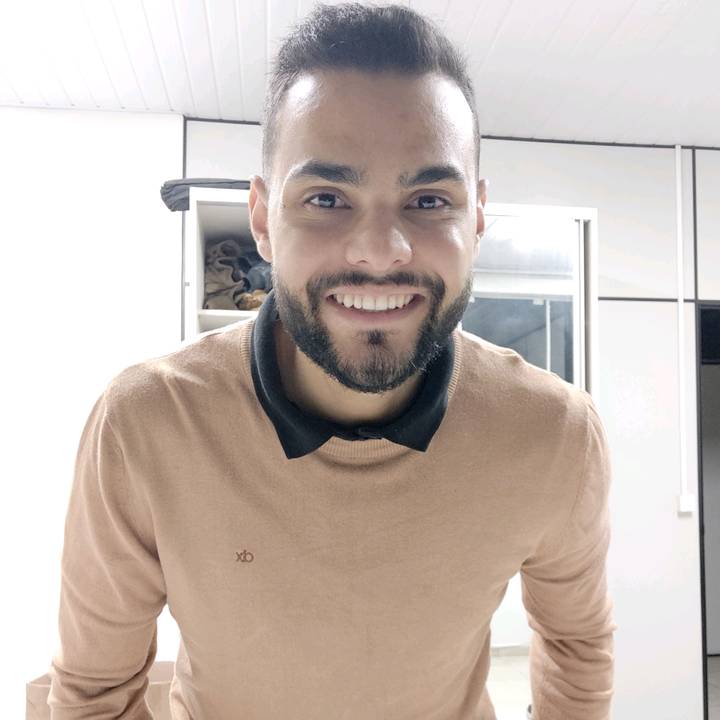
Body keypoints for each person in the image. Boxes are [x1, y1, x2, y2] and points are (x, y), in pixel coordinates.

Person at [47, 3, 617, 719]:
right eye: (326, 197)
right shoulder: (146, 423)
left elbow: (577, 643)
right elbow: (95, 696)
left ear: (475, 218)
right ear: (262, 218)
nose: (380, 252)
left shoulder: (554, 432)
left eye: (428, 200)